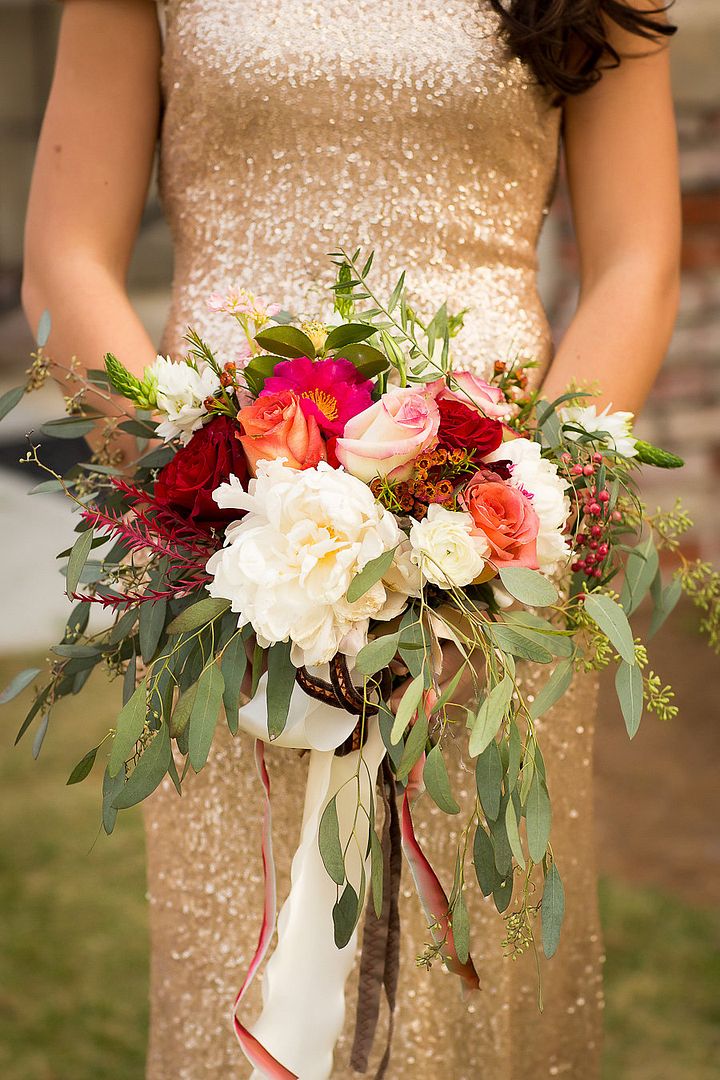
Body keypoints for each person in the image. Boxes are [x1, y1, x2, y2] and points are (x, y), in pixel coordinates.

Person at [22, 2, 680, 1076]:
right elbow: (63, 260)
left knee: (475, 969)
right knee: (247, 943)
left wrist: (522, 515)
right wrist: (206, 503)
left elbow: (636, 263)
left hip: (498, 580)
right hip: (227, 578)